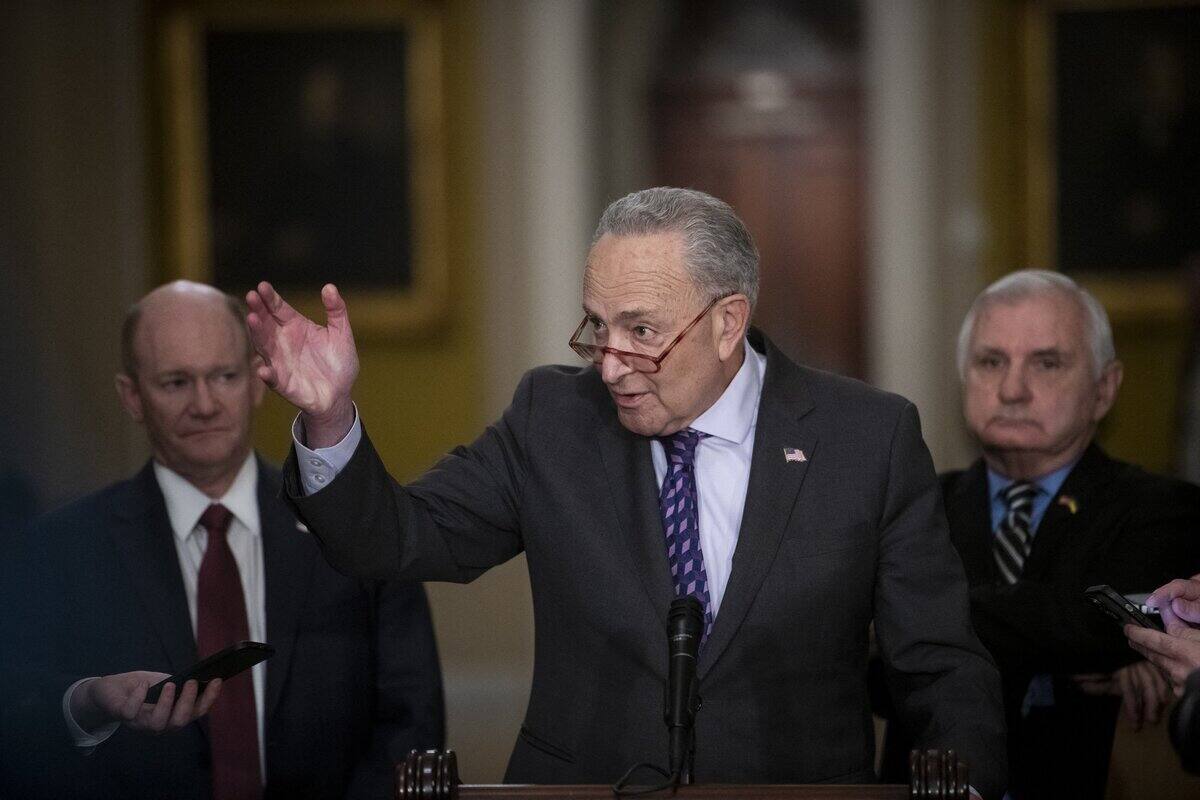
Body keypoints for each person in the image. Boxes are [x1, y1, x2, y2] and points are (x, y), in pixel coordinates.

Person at [247, 187, 1007, 798]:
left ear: (727, 322)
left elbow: (938, 661)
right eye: (597, 327)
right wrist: (328, 416)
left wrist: (968, 781)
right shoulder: (553, 419)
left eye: (641, 332)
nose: (609, 366)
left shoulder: (867, 438)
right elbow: (396, 537)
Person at [7, 282, 444, 800]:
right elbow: (17, 717)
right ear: (132, 397)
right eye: (175, 382)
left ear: (258, 382)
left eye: (225, 376)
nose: (205, 404)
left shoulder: (355, 529)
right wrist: (86, 703)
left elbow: (412, 728)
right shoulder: (60, 550)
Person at [880, 270, 1200, 799]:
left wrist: (911, 614)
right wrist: (1083, 641)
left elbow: (1088, 628)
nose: (1011, 389)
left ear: (1105, 389)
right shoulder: (907, 504)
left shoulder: (1165, 511)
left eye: (1046, 363)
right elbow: (861, 664)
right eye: (990, 362)